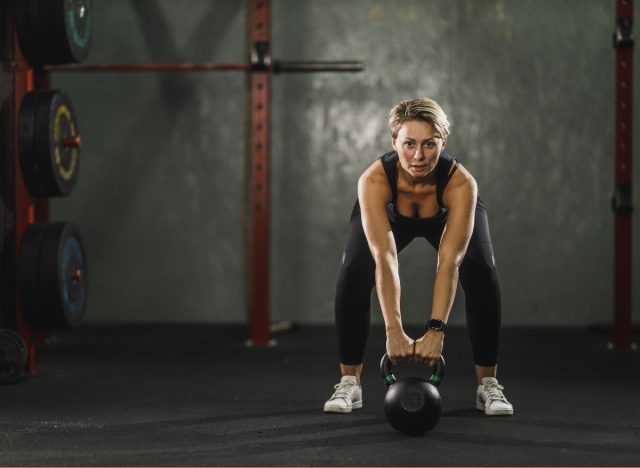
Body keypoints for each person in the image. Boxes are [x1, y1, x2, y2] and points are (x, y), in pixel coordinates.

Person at [323, 98, 513, 416]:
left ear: (443, 142)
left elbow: (449, 262)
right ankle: (349, 382)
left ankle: (488, 385)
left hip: (446, 215)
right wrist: (394, 331)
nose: (418, 156)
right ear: (393, 141)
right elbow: (385, 259)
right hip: (391, 217)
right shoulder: (373, 181)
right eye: (409, 143)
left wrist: (436, 331)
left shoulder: (461, 184)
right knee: (355, 268)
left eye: (429, 144)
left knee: (480, 269)